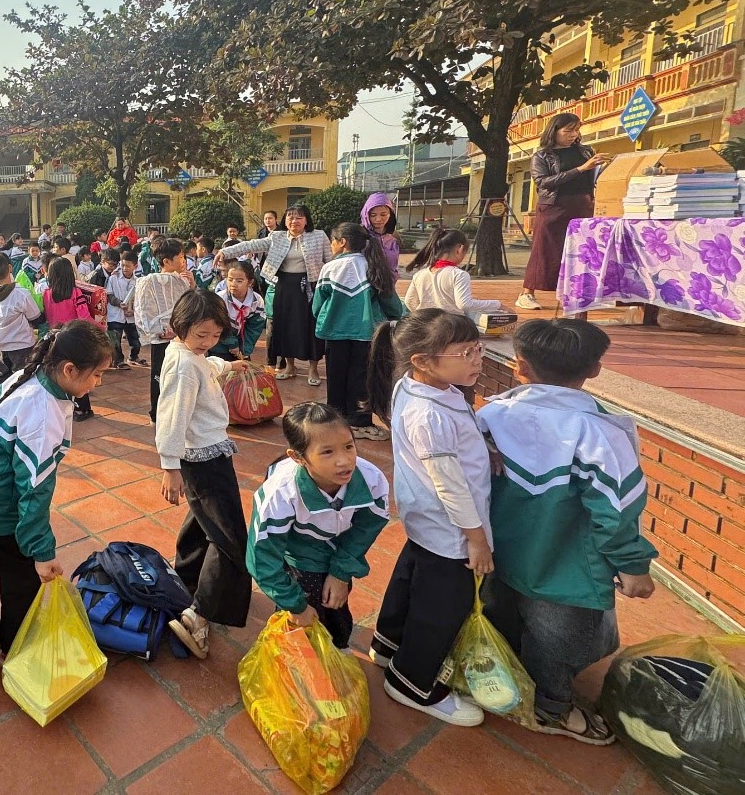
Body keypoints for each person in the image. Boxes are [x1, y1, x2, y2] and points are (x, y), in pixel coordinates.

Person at [477, 319, 657, 744]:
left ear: (520, 366)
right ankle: (553, 709)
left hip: (497, 555)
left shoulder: (490, 416)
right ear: (595, 369)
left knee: (504, 618)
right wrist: (632, 565)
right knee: (559, 643)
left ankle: (505, 681)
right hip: (565, 569)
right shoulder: (598, 432)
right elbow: (617, 508)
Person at [365, 309, 492, 726]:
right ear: (422, 360)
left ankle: (388, 645)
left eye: (478, 348)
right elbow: (450, 485)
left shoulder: (414, 384)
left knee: (411, 578)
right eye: (465, 352)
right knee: (442, 607)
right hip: (451, 526)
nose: (477, 359)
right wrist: (476, 539)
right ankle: (411, 681)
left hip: (425, 519)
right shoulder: (429, 414)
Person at [0, 320, 112, 651]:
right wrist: (42, 552)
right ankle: (15, 650)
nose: (99, 383)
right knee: (22, 580)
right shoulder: (42, 411)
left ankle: (17, 638)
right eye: (97, 375)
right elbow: (34, 489)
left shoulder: (32, 376)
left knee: (17, 573)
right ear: (69, 370)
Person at [155, 290, 255, 658]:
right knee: (230, 539)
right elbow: (171, 416)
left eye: (215, 335)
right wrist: (170, 466)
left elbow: (206, 364)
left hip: (207, 453)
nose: (208, 342)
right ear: (179, 326)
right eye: (201, 335)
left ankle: (185, 579)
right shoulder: (184, 366)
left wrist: (227, 366)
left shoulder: (186, 354)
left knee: (203, 522)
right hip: (202, 459)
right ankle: (198, 614)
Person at [247, 402, 390, 650]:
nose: (344, 461)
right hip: (298, 557)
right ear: (297, 457)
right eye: (327, 452)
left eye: (349, 446)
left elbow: (365, 530)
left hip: (339, 550)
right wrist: (295, 605)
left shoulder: (371, 480)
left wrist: (341, 573)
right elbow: (262, 557)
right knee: (303, 622)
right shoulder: (280, 493)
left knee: (336, 609)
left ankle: (337, 651)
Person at [221, 204, 332, 385]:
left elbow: (330, 261)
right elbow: (252, 244)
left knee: (310, 328)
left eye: (299, 217)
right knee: (285, 327)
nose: (294, 221)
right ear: (284, 220)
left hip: (309, 288)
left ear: (306, 220)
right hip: (284, 286)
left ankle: (313, 369)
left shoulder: (319, 236)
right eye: (290, 217)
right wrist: (225, 252)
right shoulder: (277, 236)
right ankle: (290, 366)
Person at [314, 223, 406, 440]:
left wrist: (323, 318)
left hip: (335, 332)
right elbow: (391, 303)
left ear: (342, 242)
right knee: (361, 377)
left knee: (335, 375)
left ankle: (335, 419)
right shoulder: (373, 266)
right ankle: (359, 422)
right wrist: (396, 317)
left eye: (332, 241)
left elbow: (318, 304)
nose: (331, 245)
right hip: (366, 333)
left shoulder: (329, 268)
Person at [518, 112, 609, 311]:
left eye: (576, 130)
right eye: (568, 131)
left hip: (582, 205)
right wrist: (581, 169)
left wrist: (603, 167)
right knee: (545, 250)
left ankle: (578, 293)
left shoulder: (585, 151)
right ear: (554, 131)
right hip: (553, 207)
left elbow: (592, 177)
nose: (573, 135)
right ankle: (527, 294)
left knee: (581, 250)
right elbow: (542, 182)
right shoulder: (542, 155)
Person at [136, 236, 194, 423]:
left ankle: (179, 413)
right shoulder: (149, 281)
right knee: (159, 376)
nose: (183, 261)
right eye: (180, 257)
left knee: (181, 375)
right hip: (161, 339)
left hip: (181, 337)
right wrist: (158, 331)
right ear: (167, 261)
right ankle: (156, 414)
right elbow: (144, 309)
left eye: (184, 256)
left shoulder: (184, 280)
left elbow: (191, 306)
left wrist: (192, 285)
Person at [41, 257, 98, 421]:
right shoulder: (75, 293)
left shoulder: (46, 294)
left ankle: (64, 407)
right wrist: (100, 326)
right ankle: (82, 409)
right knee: (79, 374)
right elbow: (84, 316)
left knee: (61, 374)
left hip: (56, 338)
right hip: (74, 338)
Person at [404, 227, 504, 317]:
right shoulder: (458, 275)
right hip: (452, 325)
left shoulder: (420, 274)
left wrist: (426, 316)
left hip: (426, 324)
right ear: (459, 249)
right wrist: (497, 305)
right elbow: (464, 304)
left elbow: (409, 301)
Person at [0, 251, 46, 387]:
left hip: (0, 344)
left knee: (2, 378)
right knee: (23, 378)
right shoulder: (21, 294)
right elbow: (35, 317)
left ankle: (0, 397)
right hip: (22, 344)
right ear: (10, 268)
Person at [211, 259, 266, 361]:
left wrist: (245, 349)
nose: (233, 284)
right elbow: (217, 325)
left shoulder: (257, 301)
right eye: (230, 279)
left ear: (250, 282)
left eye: (239, 281)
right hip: (219, 344)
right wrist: (232, 344)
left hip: (241, 346)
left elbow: (254, 328)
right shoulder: (220, 299)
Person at [105, 253, 142, 369]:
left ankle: (133, 356)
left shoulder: (138, 281)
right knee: (115, 340)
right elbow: (109, 295)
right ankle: (118, 361)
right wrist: (118, 303)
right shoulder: (113, 278)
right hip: (115, 314)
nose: (125, 268)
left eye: (128, 266)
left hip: (130, 316)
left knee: (135, 340)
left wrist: (133, 310)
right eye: (123, 265)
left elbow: (139, 299)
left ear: (135, 266)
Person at [361, 193, 402, 282]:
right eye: (373, 215)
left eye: (383, 215)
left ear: (390, 214)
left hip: (388, 285)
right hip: (365, 285)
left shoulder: (394, 237)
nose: (378, 219)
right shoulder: (360, 235)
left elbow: (394, 265)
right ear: (366, 215)